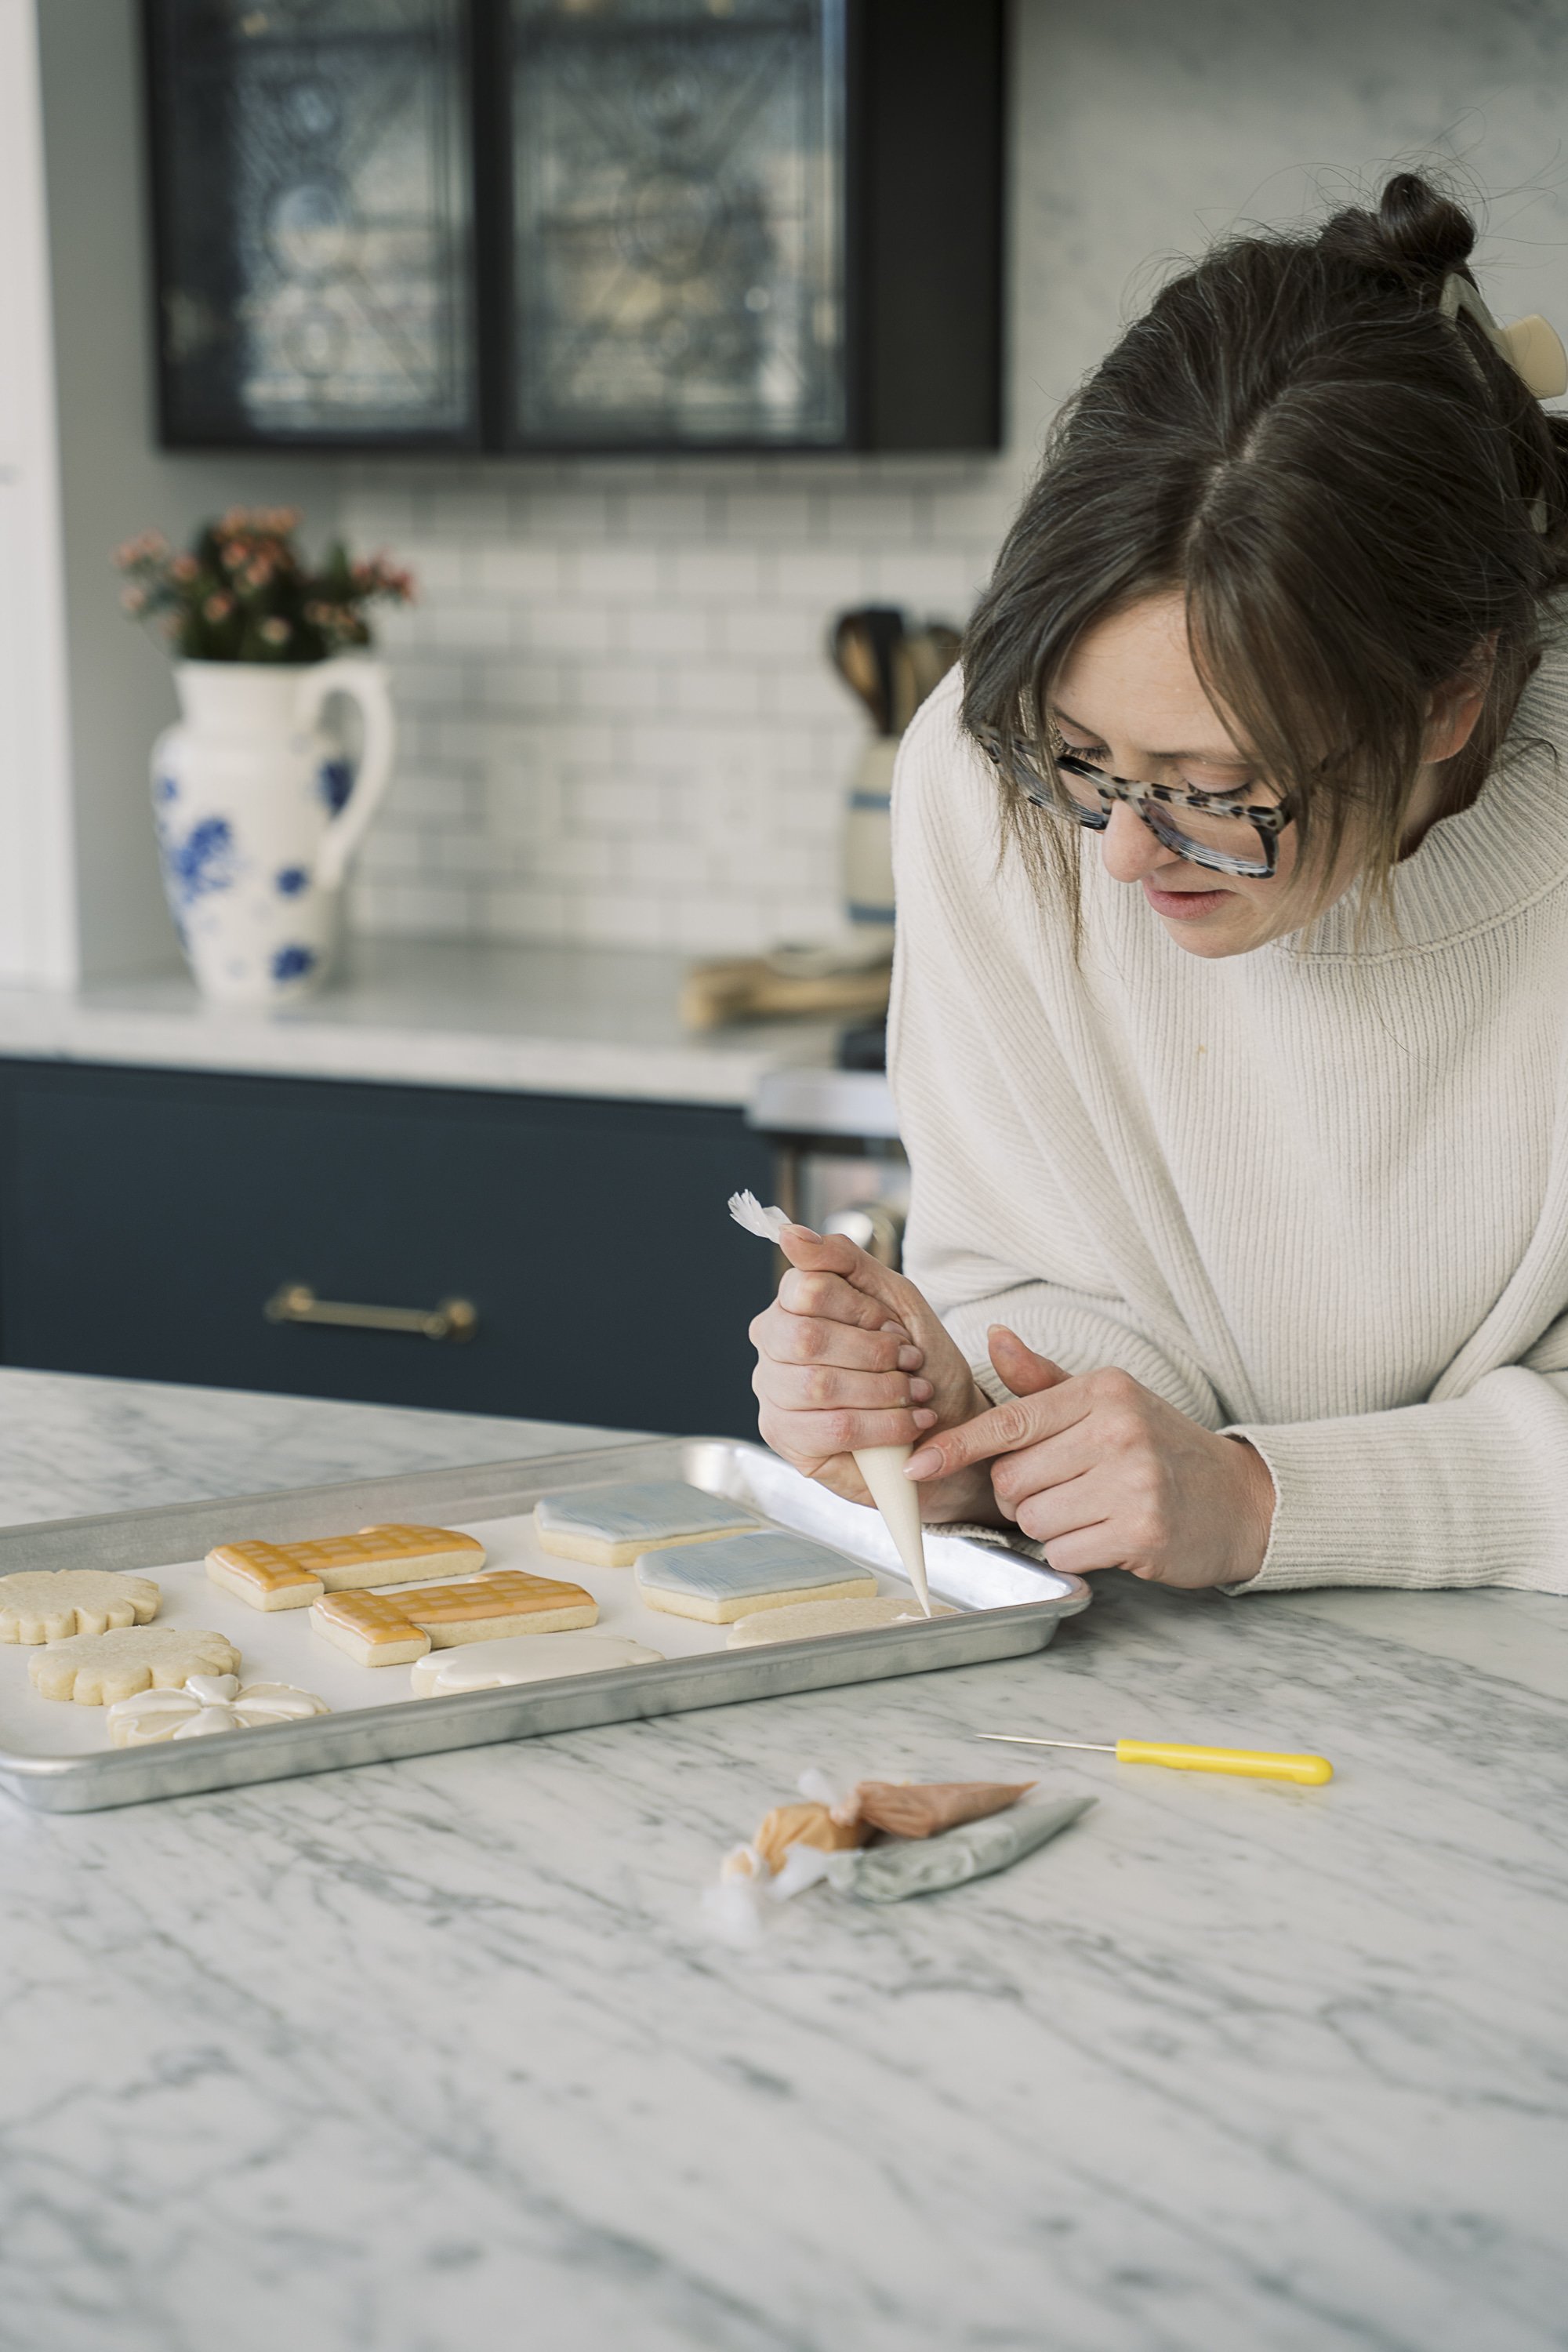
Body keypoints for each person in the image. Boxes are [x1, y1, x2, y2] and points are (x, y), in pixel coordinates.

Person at [748, 172, 1568, 1596]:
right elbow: (1059, 1283)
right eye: (1080, 757)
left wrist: (1266, 1500)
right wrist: (980, 1419)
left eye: (1218, 788)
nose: (1123, 852)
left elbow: (1228, 1490)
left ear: (1449, 701)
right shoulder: (980, 776)